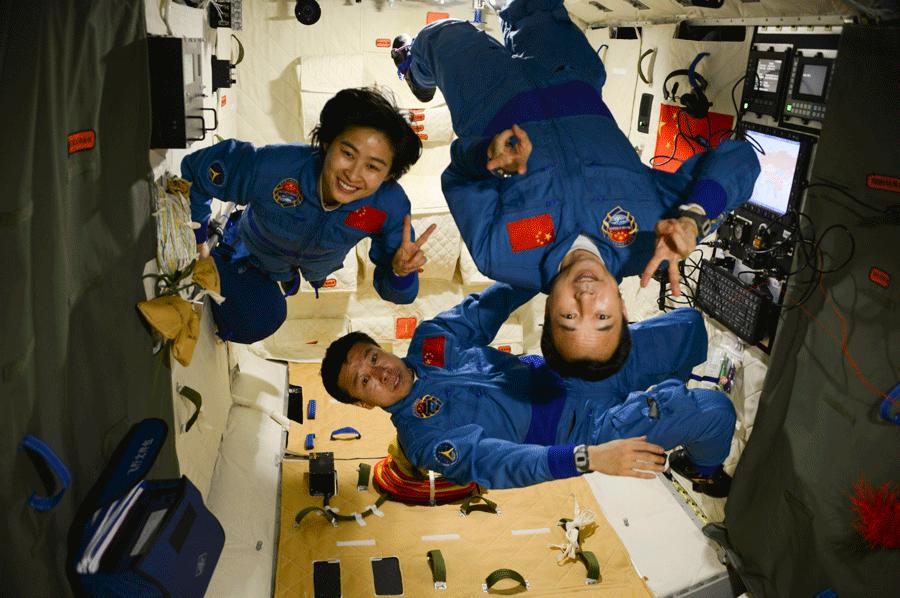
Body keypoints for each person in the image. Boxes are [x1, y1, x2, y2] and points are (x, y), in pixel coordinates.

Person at [390, 0, 761, 379]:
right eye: (602, 317)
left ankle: (414, 69)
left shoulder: (501, 253)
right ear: (621, 308)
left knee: (443, 35)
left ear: (549, 313)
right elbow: (742, 157)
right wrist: (696, 214)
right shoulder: (657, 236)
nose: (585, 300)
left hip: (490, 99)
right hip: (569, 78)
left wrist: (485, 153)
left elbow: (460, 179)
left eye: (569, 317)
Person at [321, 283, 735, 496]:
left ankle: (669, 400)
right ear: (361, 402)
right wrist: (589, 457)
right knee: (716, 411)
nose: (379, 374)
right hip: (581, 432)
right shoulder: (424, 440)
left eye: (372, 358)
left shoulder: (433, 340)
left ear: (381, 349)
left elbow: (491, 303)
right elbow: (503, 463)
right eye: (364, 381)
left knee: (686, 328)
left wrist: (545, 269)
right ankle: (704, 471)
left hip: (567, 371)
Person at [181, 87, 436, 343]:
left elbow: (399, 295)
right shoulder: (278, 167)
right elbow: (198, 170)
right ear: (327, 143)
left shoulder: (388, 207)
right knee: (263, 317)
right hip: (250, 253)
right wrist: (200, 239)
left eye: (372, 167)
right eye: (347, 154)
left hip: (299, 269)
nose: (354, 174)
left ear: (388, 175)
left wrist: (400, 272)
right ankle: (222, 255)